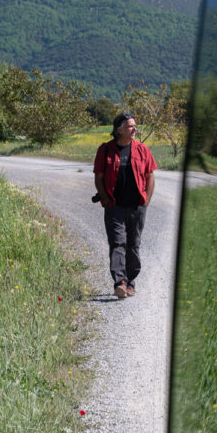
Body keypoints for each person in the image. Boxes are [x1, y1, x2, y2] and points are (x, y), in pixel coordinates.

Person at [93, 113, 157, 299]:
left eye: (135, 125)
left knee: (133, 244)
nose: (134, 129)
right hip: (115, 206)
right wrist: (105, 199)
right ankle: (120, 282)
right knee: (117, 243)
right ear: (119, 130)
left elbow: (150, 176)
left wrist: (146, 201)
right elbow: (99, 177)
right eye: (130, 126)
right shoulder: (105, 149)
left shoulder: (142, 150)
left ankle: (130, 282)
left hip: (137, 207)